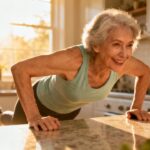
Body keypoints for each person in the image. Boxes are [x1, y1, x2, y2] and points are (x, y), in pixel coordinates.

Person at [11, 8, 150, 131]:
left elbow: (145, 72)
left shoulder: (121, 62)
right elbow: (20, 69)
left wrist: (136, 107)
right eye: (116, 44)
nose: (124, 54)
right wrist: (34, 117)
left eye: (129, 45)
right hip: (35, 107)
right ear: (96, 45)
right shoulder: (73, 60)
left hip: (68, 114)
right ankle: (8, 118)